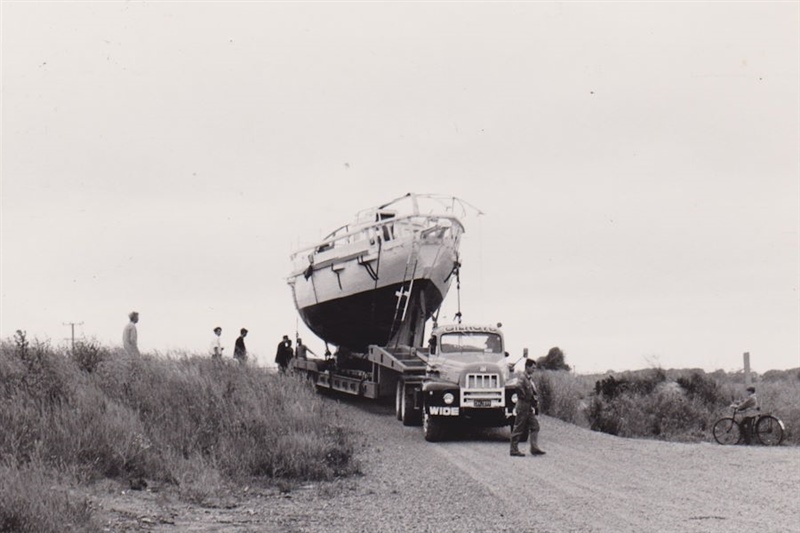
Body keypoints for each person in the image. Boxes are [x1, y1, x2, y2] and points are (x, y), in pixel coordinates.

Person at [510, 358, 546, 457]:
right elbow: (518, 387)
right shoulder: (523, 377)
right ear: (527, 367)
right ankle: (513, 450)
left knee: (535, 426)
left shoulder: (528, 378)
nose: (534, 370)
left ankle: (534, 448)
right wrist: (524, 396)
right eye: (532, 368)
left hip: (528, 407)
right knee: (519, 428)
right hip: (523, 406)